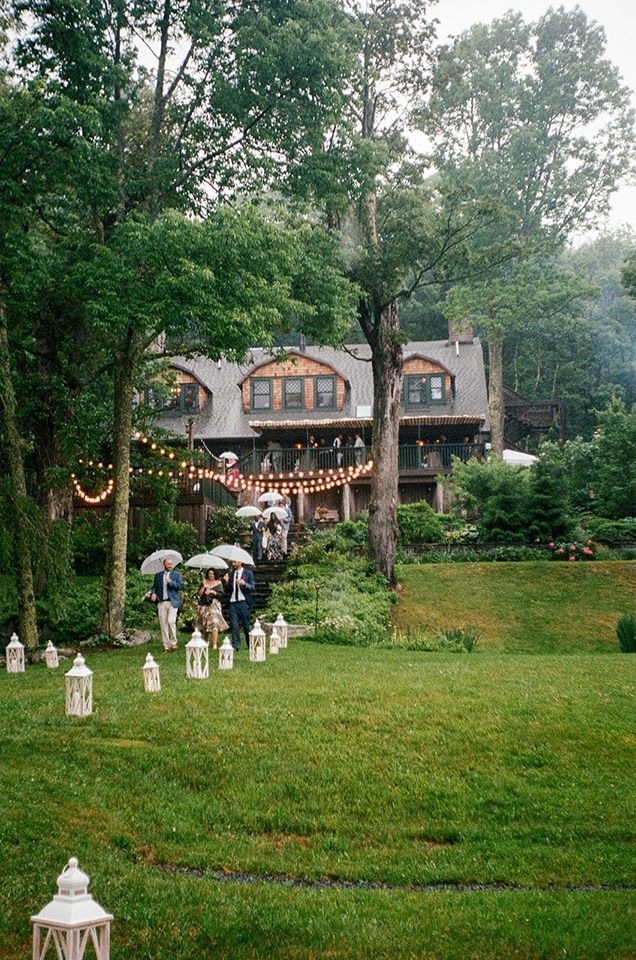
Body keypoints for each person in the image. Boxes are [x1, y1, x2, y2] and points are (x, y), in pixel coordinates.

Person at [150, 558, 183, 652]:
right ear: (164, 565)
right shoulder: (158, 575)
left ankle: (173, 642)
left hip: (173, 602)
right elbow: (154, 587)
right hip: (161, 602)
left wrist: (170, 582)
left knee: (171, 621)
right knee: (163, 624)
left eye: (171, 564)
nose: (170, 566)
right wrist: (153, 593)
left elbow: (180, 586)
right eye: (168, 564)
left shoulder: (176, 574)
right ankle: (166, 646)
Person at [224, 559, 255, 651]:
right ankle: (236, 646)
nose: (233, 564)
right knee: (234, 625)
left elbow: (252, 587)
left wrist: (244, 583)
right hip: (233, 602)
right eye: (232, 562)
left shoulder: (248, 573)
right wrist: (226, 582)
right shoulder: (231, 574)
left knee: (246, 625)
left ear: (241, 562)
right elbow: (228, 590)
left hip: (243, 602)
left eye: (235, 562)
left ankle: (250, 644)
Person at [196, 568, 228, 650]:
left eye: (213, 574)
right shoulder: (204, 582)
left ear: (215, 574)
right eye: (210, 573)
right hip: (204, 605)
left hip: (214, 604)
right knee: (205, 624)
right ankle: (206, 641)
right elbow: (199, 595)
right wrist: (203, 586)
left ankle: (214, 644)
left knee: (214, 622)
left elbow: (221, 595)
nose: (211, 575)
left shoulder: (218, 583)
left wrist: (213, 592)